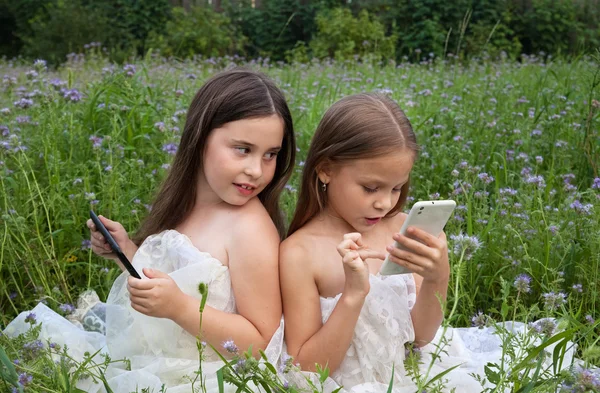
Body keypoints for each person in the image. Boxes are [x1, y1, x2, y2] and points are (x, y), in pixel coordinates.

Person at [4, 68, 296, 393]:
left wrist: (181, 308)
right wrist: (126, 251)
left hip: (210, 378)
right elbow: (169, 280)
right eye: (243, 149)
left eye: (271, 154)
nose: (256, 170)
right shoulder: (187, 204)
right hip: (153, 358)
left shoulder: (250, 228)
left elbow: (262, 343)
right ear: (200, 139)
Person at [278, 93, 574, 392]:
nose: (384, 203)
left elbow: (420, 337)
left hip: (416, 372)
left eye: (396, 187)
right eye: (370, 188)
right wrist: (353, 295)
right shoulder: (299, 253)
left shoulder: (403, 230)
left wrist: (437, 277)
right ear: (325, 169)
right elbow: (306, 369)